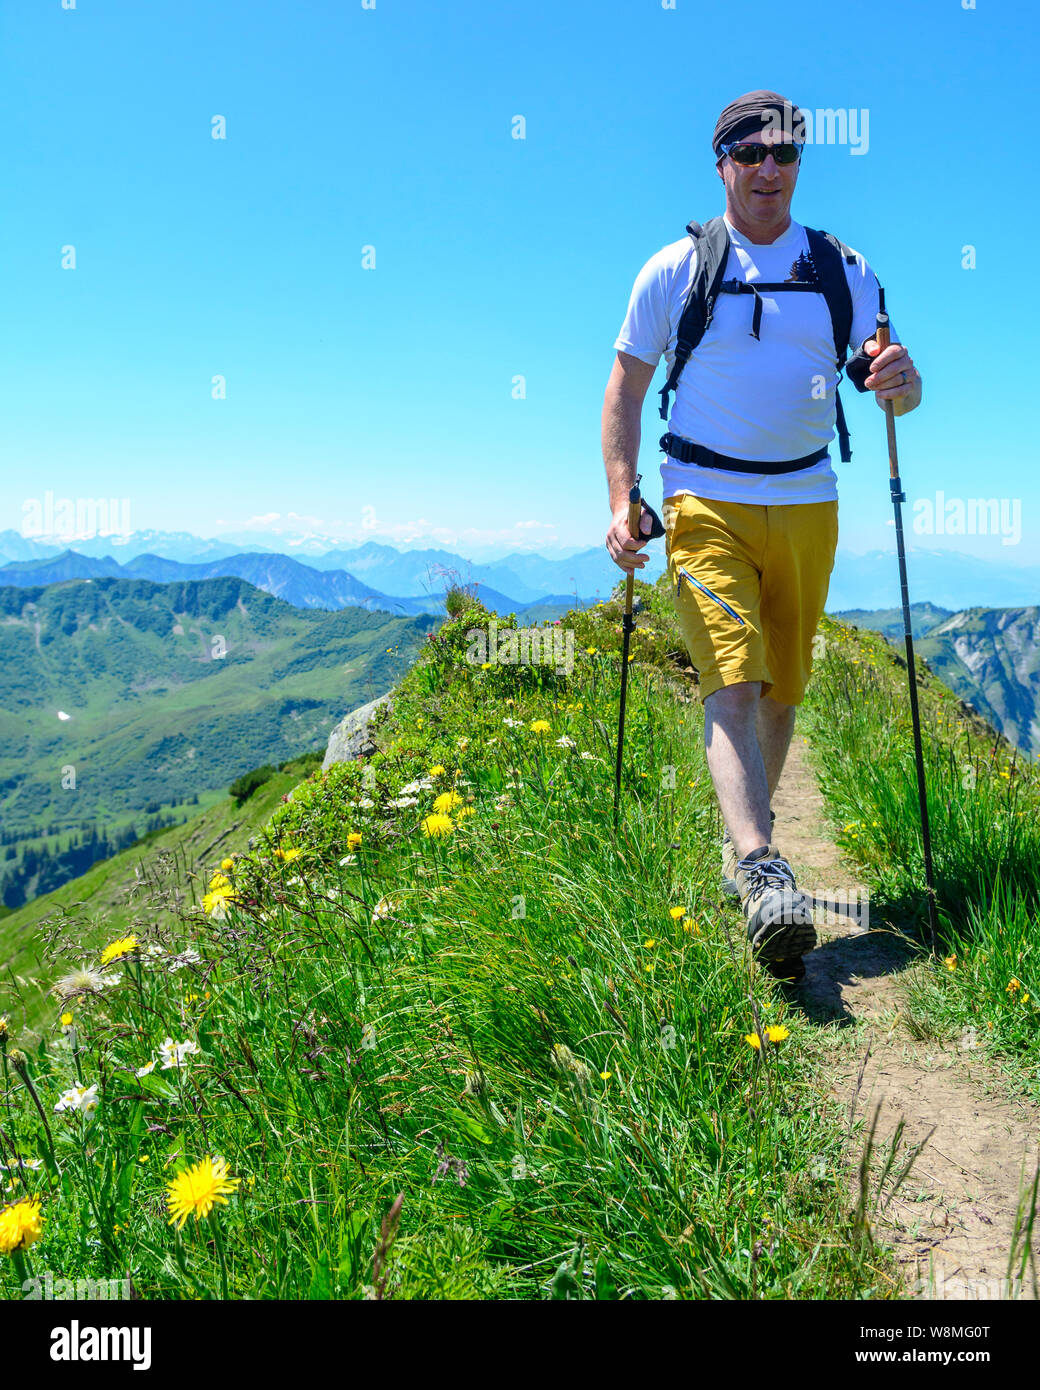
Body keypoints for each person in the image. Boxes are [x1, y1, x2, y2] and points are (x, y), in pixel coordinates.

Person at [601, 89, 922, 981]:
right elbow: (625, 386)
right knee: (732, 678)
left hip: (809, 499)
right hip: (702, 496)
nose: (768, 169)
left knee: (782, 687)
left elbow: (892, 384)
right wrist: (625, 496)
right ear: (722, 165)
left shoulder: (842, 270)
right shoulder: (676, 269)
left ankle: (759, 854)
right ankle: (759, 867)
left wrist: (902, 378)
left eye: (784, 153)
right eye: (750, 154)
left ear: (797, 164)